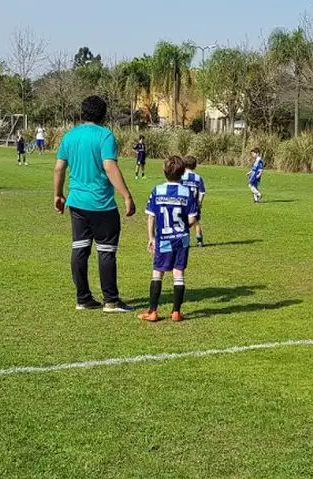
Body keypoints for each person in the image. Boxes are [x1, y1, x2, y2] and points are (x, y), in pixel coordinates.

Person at [54, 95, 137, 312]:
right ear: (104, 114)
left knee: (79, 248)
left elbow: (59, 168)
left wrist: (58, 194)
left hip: (77, 203)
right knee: (106, 251)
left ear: (83, 113)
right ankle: (111, 300)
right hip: (101, 204)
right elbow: (109, 167)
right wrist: (126, 195)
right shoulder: (105, 136)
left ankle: (83, 298)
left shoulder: (69, 136)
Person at [139, 155, 200, 323]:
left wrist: (151, 237)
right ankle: (176, 312)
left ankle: (152, 311)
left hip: (164, 238)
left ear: (164, 171)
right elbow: (192, 220)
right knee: (178, 272)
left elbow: (151, 217)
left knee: (158, 272)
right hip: (182, 239)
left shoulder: (157, 190)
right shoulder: (187, 192)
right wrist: (182, 228)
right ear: (182, 173)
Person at [181, 155, 207, 247]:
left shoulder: (181, 177)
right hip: (194, 203)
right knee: (196, 222)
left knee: (182, 222)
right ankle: (199, 240)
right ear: (195, 166)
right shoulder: (198, 178)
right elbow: (202, 192)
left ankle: (184, 242)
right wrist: (200, 202)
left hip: (183, 203)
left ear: (183, 165)